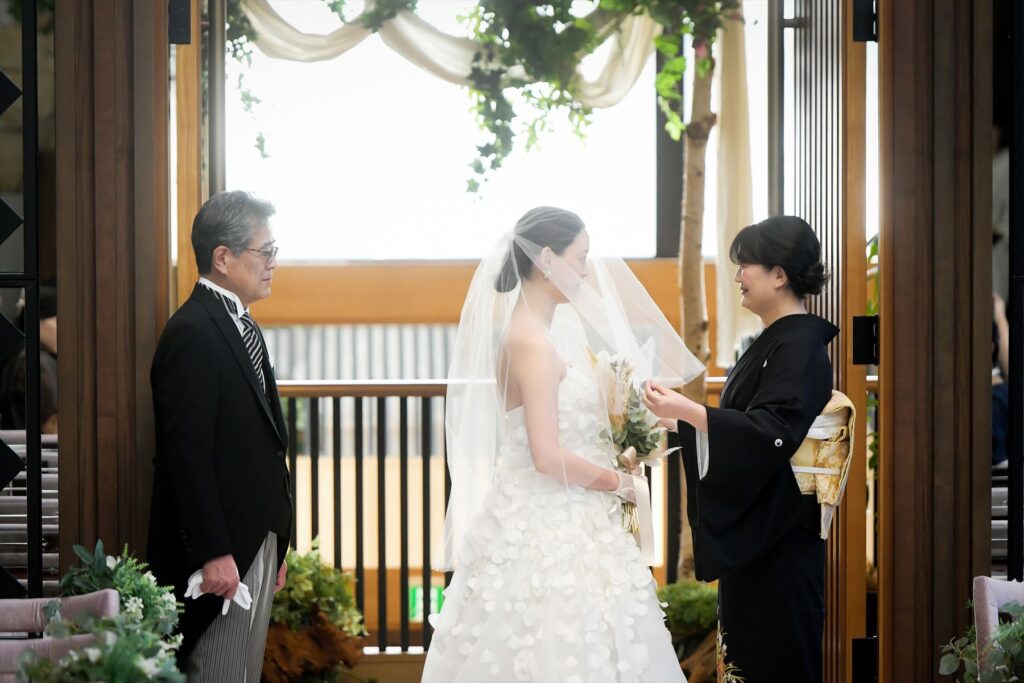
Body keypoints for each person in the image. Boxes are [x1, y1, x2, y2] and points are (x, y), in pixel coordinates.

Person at [421, 207, 702, 682]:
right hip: (550, 525)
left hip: (560, 512)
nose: (587, 272)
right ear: (548, 260)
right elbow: (547, 457)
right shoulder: (532, 342)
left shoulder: (539, 335)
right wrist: (621, 483)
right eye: (581, 257)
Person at [644, 215, 835, 682]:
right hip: (759, 537)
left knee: (776, 662)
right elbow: (747, 428)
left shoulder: (800, 345)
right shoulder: (776, 340)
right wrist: (673, 420)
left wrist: (690, 412)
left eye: (746, 265)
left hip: (780, 540)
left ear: (779, 274)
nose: (738, 276)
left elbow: (771, 431)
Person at [146, 191, 292, 681]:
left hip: (255, 539)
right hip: (222, 551)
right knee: (217, 671)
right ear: (223, 258)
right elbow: (185, 455)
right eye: (264, 251)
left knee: (241, 672)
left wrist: (275, 543)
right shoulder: (193, 331)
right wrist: (213, 552)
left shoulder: (242, 324)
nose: (273, 263)